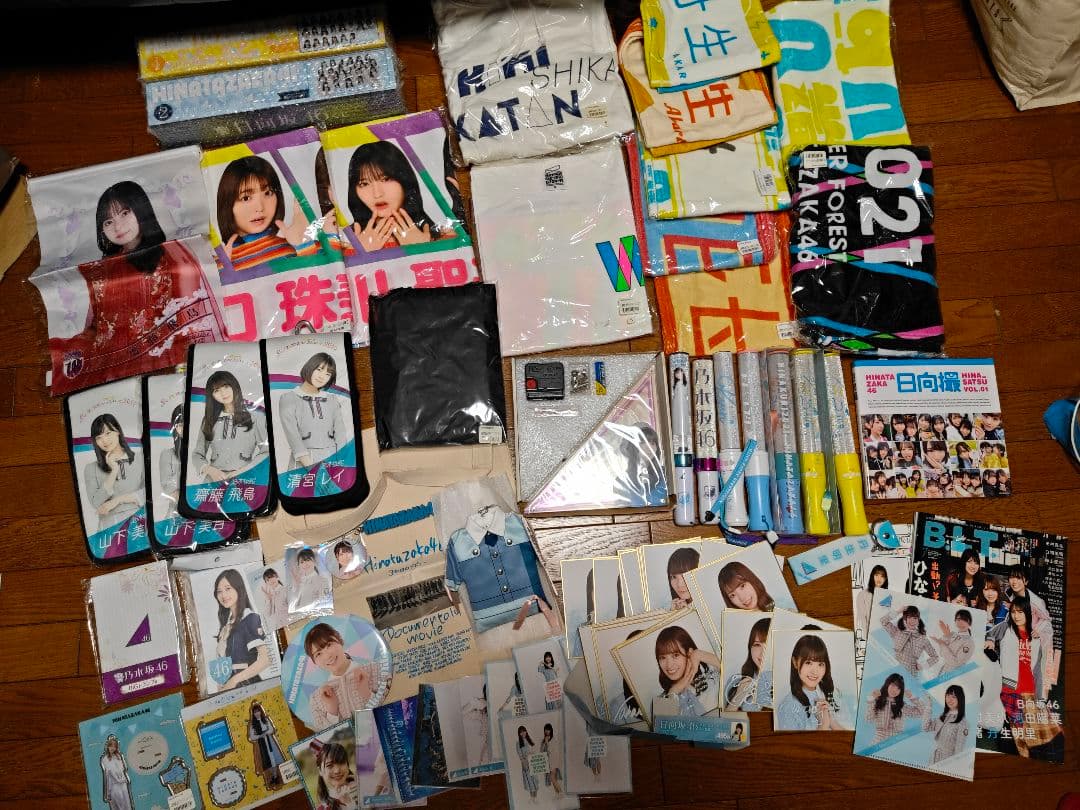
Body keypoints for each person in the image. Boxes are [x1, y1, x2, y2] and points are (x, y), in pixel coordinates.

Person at [216, 155, 316, 271]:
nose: (260, 207)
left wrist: (304, 245)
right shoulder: (220, 262)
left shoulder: (293, 247)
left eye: (268, 193)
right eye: (246, 198)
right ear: (226, 204)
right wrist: (221, 270)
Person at [347, 141, 443, 252]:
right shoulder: (345, 240)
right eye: (364, 184)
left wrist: (423, 250)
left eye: (386, 179)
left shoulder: (444, 233)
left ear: (404, 180)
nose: (377, 194)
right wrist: (359, 253)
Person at [278, 352, 350, 471]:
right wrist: (314, 469)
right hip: (304, 463)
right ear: (310, 367)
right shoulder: (288, 398)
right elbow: (293, 438)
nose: (322, 377)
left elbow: (340, 434)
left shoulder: (332, 399)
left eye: (328, 374)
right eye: (319, 370)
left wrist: (339, 464)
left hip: (332, 461)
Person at [193, 371, 269, 484]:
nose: (223, 393)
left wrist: (243, 471)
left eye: (226, 387)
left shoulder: (255, 417)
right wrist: (210, 470)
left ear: (234, 386)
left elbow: (266, 452)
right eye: (217, 390)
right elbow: (197, 454)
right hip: (214, 481)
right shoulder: (209, 420)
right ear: (212, 395)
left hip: (245, 479)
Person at [305, 623, 380, 730]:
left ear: (339, 640)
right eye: (318, 654)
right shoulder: (316, 699)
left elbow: (395, 710)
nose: (327, 656)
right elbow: (329, 737)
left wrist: (367, 693)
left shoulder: (375, 669)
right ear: (314, 662)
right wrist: (332, 711)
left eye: (328, 645)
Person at [211, 568, 272, 691]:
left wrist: (234, 681)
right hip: (229, 687)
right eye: (219, 591)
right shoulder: (226, 625)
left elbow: (266, 659)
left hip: (247, 685)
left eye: (228, 589)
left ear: (238, 588)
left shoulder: (250, 618)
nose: (223, 595)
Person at [84, 413, 145, 532]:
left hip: (139, 522)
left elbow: (150, 492)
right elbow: (96, 503)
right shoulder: (91, 468)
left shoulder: (140, 459)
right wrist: (114, 471)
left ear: (118, 431)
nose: (104, 440)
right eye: (98, 437)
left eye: (108, 433)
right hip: (109, 528)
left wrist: (118, 500)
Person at [775, 634, 848, 730]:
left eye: (820, 664)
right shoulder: (788, 707)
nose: (815, 672)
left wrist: (832, 722)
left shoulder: (830, 694)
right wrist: (823, 725)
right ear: (795, 662)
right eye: (808, 663)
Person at [655, 625, 720, 716]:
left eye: (675, 655)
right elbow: (662, 722)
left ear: (689, 653)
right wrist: (674, 691)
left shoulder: (711, 681)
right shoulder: (662, 700)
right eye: (663, 658)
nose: (669, 665)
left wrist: (698, 654)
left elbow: (729, 669)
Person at [723, 617, 772, 711]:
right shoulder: (735, 682)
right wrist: (737, 699)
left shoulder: (791, 685)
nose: (763, 653)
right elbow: (723, 719)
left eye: (769, 645)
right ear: (750, 648)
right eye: (757, 645)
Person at [864, 673, 925, 744]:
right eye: (893, 685)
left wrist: (912, 697)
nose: (895, 690)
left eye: (898, 688)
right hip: (879, 742)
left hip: (897, 743)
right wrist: (871, 699)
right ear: (887, 684)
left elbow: (922, 712)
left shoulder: (902, 706)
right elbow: (868, 719)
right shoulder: (878, 701)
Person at [881, 604, 940, 675]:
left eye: (915, 618)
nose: (912, 621)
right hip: (894, 669)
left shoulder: (922, 639)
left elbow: (935, 657)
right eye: (909, 617)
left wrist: (923, 665)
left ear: (918, 620)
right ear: (905, 619)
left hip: (910, 673)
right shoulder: (897, 632)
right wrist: (898, 611)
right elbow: (883, 621)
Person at [922, 684, 969, 764]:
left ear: (960, 699)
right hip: (933, 760)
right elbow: (926, 727)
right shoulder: (943, 716)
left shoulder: (963, 723)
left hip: (947, 763)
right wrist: (929, 706)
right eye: (948, 696)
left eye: (954, 697)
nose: (949, 699)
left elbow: (959, 750)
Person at [247, 701, 286, 789]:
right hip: (261, 745)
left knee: (273, 759)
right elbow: (252, 737)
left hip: (270, 742)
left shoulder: (266, 720)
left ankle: (276, 776)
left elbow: (271, 730)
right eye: (255, 712)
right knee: (265, 761)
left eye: (258, 711)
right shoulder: (252, 724)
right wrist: (261, 735)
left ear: (261, 711)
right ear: (253, 713)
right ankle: (271, 778)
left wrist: (265, 733)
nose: (257, 713)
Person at [315, 741, 358, 810]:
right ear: (320, 770)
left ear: (347, 764)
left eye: (341, 762)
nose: (337, 771)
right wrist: (349, 804)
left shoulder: (362, 785)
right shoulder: (323, 807)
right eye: (329, 765)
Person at [99, 734, 134, 810]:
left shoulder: (118, 756)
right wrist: (107, 793)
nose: (113, 748)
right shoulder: (105, 759)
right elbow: (107, 775)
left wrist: (124, 779)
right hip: (114, 786)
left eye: (114, 746)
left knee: (127, 805)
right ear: (107, 746)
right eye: (111, 746)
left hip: (123, 784)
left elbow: (124, 769)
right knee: (119, 805)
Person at [292, 547, 331, 612]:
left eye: (308, 560)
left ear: (314, 562)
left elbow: (323, 600)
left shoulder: (322, 580)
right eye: (302, 562)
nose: (305, 564)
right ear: (299, 565)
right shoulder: (299, 582)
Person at [855, 565, 889, 640]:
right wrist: (867, 638)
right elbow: (862, 619)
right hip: (869, 637)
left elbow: (887, 618)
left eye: (882, 576)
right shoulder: (863, 595)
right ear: (872, 576)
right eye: (876, 575)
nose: (879, 578)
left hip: (884, 635)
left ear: (885, 579)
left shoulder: (887, 596)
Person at [515, 726, 539, 801]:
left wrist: (532, 754)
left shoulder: (530, 740)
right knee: (529, 780)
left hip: (533, 762)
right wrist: (524, 763)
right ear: (519, 734)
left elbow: (535, 750)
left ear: (526, 731)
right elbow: (520, 755)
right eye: (521, 732)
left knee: (535, 780)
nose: (523, 733)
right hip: (526, 763)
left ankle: (535, 797)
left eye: (524, 731)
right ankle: (532, 798)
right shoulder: (518, 743)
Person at [540, 723, 563, 797]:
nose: (547, 731)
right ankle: (557, 794)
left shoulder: (553, 739)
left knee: (552, 777)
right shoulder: (544, 740)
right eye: (546, 730)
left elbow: (552, 751)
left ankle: (560, 792)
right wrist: (544, 742)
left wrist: (547, 742)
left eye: (548, 729)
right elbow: (541, 751)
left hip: (553, 760)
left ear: (551, 730)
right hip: (547, 762)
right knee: (553, 778)